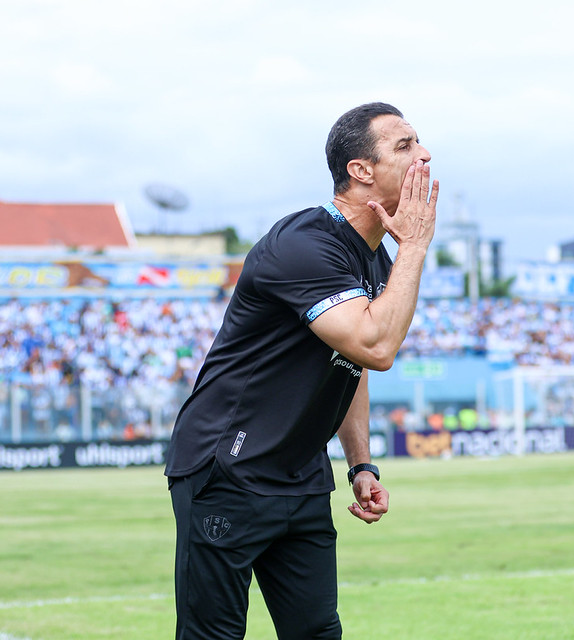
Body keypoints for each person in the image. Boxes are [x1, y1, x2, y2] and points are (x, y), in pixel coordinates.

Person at [164, 102, 439, 639]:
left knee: (317, 633)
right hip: (229, 469)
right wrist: (418, 244)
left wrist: (361, 466)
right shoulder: (303, 245)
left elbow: (355, 363)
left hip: (302, 474)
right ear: (360, 170)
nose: (424, 155)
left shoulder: (379, 260)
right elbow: (376, 345)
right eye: (405, 146)